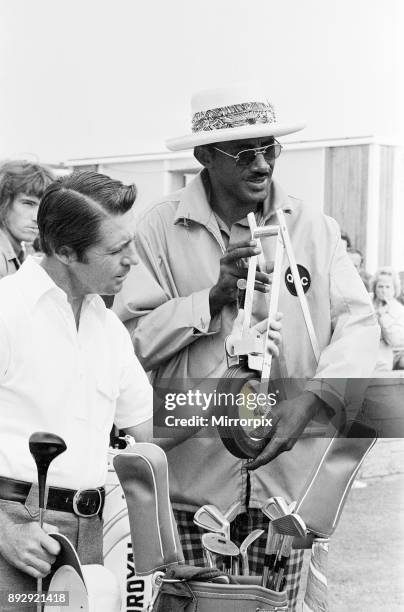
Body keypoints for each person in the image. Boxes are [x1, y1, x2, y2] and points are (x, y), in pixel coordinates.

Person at [114, 83, 379, 608]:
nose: (262, 164)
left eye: (270, 149)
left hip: (290, 488)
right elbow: (126, 343)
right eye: (244, 153)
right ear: (204, 157)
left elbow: (359, 324)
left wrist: (316, 397)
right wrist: (209, 298)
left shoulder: (313, 228)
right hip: (191, 489)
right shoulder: (159, 228)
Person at [0, 171, 153, 603]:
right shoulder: (6, 311)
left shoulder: (107, 328)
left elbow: (148, 432)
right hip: (14, 532)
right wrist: (3, 529)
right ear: (66, 251)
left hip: (90, 535)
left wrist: (239, 394)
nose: (133, 260)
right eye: (117, 249)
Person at [0, 160, 54, 278]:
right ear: (3, 202)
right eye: (28, 203)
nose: (37, 218)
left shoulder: (19, 251)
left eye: (44, 207)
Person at [371, 267, 404, 370]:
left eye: (388, 287)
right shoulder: (367, 301)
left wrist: (382, 317)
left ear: (395, 290)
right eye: (380, 286)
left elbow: (394, 340)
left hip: (387, 351)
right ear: (374, 288)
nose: (384, 291)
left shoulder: (398, 309)